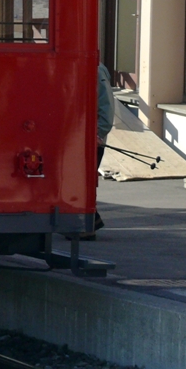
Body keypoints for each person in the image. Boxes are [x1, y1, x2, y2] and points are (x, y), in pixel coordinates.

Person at [85, 64, 116, 239]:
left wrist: (99, 132)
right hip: (84, 136)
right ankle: (89, 223)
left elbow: (106, 104)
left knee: (86, 182)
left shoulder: (96, 70)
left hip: (93, 139)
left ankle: (87, 226)